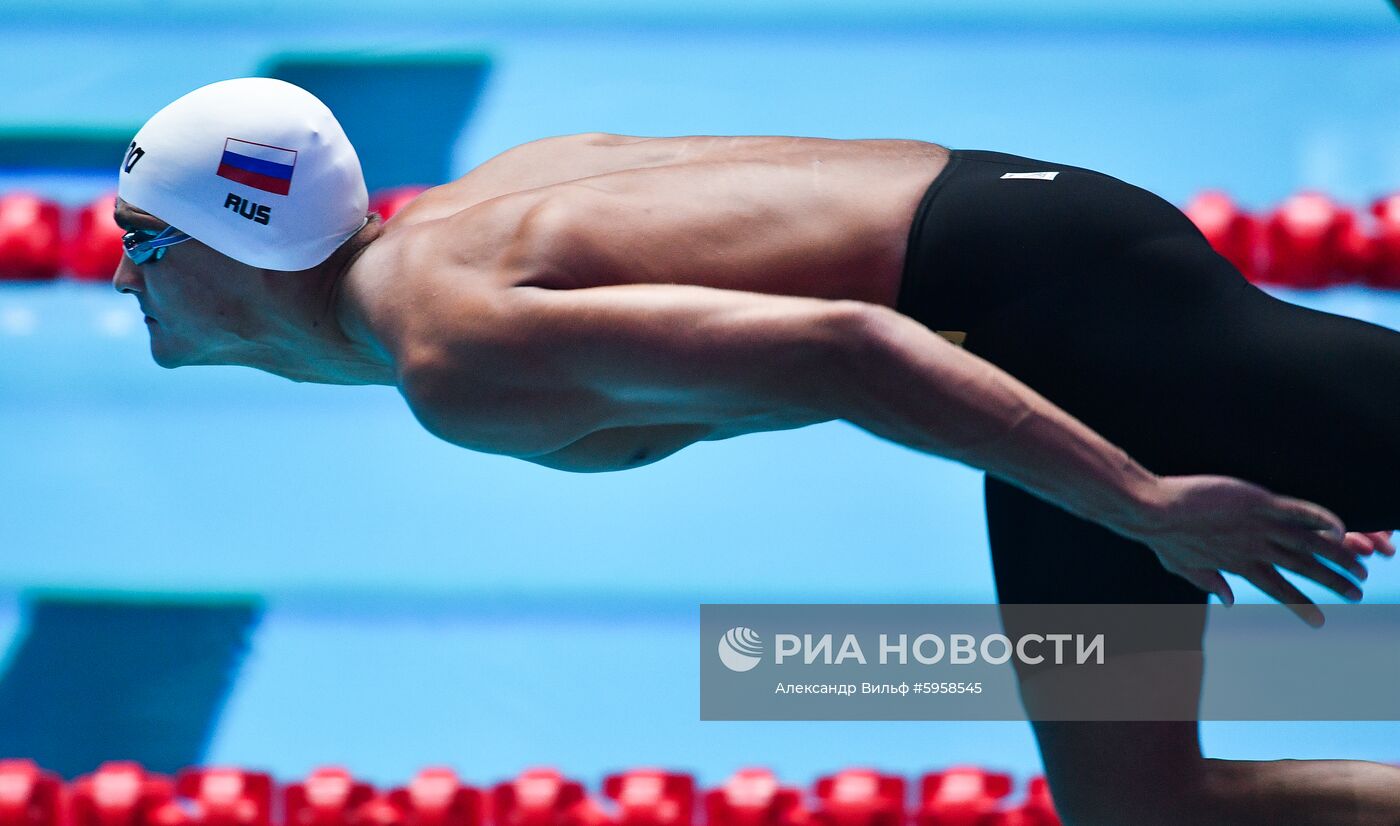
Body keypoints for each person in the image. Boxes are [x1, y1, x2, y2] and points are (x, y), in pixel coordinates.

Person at [113, 77, 1398, 823]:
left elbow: (842, 346)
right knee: (1138, 803)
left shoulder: (455, 350)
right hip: (1033, 264)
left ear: (244, 242)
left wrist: (1144, 503)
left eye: (144, 240)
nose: (121, 276)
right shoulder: (462, 218)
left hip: (1057, 315)